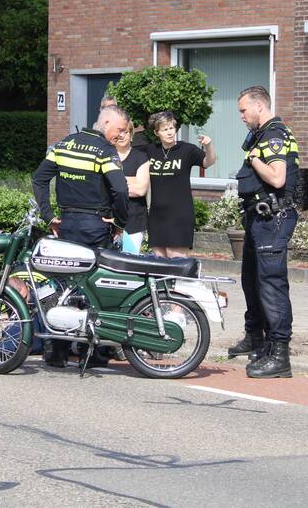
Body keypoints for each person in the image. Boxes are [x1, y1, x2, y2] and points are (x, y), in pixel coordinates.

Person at [32, 104, 130, 367]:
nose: (120, 136)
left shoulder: (65, 144)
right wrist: (120, 221)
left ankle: (58, 352)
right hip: (96, 226)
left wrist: (48, 216)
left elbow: (39, 178)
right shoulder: (104, 151)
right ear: (106, 122)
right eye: (119, 130)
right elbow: (120, 190)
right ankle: (96, 354)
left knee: (64, 289)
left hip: (67, 225)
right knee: (97, 288)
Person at [228, 85, 299, 379]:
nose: (241, 117)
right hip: (258, 219)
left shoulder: (274, 134)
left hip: (274, 218)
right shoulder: (262, 135)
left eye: (243, 110)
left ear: (259, 106)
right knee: (251, 280)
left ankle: (280, 354)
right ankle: (259, 339)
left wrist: (255, 159)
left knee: (271, 283)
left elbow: (278, 178)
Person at [145, 111, 215, 258]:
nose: (170, 132)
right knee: (158, 263)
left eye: (171, 128)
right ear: (157, 132)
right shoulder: (151, 150)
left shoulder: (186, 150)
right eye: (165, 129)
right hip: (157, 215)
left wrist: (208, 146)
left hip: (179, 215)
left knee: (175, 262)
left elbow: (208, 162)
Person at [113, 118, 149, 253]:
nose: (122, 135)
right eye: (119, 131)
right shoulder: (107, 155)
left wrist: (114, 182)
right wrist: (131, 180)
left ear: (131, 134)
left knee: (130, 261)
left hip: (134, 220)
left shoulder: (141, 157)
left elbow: (140, 190)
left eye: (126, 132)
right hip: (109, 221)